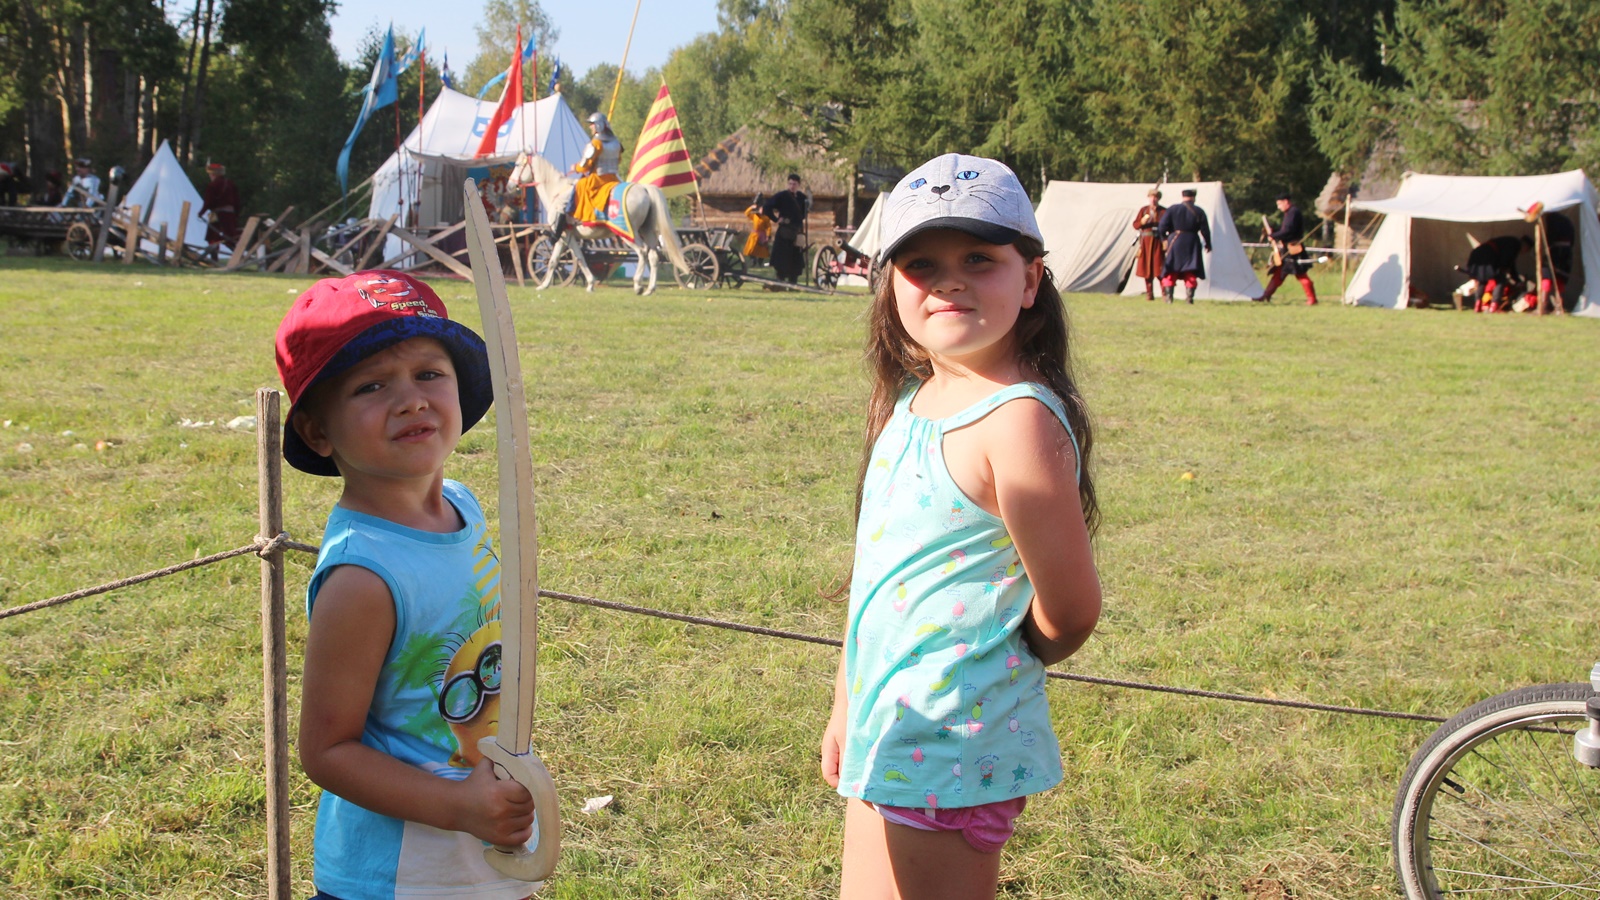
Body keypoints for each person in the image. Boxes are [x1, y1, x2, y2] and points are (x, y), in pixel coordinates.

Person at [822, 153, 1103, 899]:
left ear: (1031, 279)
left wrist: (999, 657)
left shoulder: (1016, 422)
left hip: (951, 743)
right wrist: (848, 705)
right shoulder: (908, 402)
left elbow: (1072, 611)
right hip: (889, 728)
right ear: (891, 284)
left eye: (979, 259)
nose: (949, 281)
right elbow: (878, 581)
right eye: (922, 264)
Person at [274, 270, 547, 900]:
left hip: (482, 840)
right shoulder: (363, 577)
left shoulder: (464, 507)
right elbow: (328, 750)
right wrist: (460, 808)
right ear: (317, 431)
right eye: (372, 386)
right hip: (398, 874)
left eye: (429, 374)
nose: (412, 401)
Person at [1253, 193, 1318, 305]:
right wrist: (1274, 232)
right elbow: (1284, 229)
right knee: (1279, 273)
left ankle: (1312, 299)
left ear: (1286, 202)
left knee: (1301, 274)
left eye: (1279, 204)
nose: (1278, 207)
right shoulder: (1289, 213)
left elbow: (1288, 231)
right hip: (1287, 249)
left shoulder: (1293, 212)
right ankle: (1266, 295)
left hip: (1293, 249)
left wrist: (1273, 236)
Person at [1157, 188, 1211, 303]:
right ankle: (1189, 298)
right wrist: (1208, 244)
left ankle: (1169, 298)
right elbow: (1205, 230)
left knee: (1171, 270)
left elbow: (1161, 227)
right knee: (1190, 270)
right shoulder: (1199, 211)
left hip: (1175, 241)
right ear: (1194, 198)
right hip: (1192, 242)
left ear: (1183, 197)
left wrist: (1164, 239)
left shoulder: (1172, 209)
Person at [570, 111, 622, 223]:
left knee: (580, 185)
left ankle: (584, 217)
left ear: (599, 126)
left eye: (592, 124)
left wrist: (575, 168)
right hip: (614, 178)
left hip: (598, 180)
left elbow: (584, 167)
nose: (590, 127)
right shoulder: (616, 143)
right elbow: (619, 160)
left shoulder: (596, 143)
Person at [1464, 235, 1531, 313]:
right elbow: (1509, 264)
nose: (1525, 252)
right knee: (1501, 280)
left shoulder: (1510, 241)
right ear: (1525, 246)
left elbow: (1509, 265)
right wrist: (1516, 280)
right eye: (1527, 250)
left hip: (1478, 254)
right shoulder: (1515, 245)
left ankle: (1478, 306)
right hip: (1488, 256)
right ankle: (1494, 306)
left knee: (1482, 281)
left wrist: (1516, 280)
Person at [762, 173, 809, 284]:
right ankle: (780, 279)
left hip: (797, 231)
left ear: (798, 185)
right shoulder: (782, 196)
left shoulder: (802, 198)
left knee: (796, 257)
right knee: (782, 256)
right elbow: (767, 207)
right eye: (790, 184)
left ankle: (793, 281)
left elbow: (804, 213)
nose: (792, 186)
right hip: (784, 231)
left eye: (794, 184)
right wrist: (775, 219)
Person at [199, 162, 241, 260]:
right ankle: (239, 257)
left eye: (210, 174)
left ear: (213, 174)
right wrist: (236, 215)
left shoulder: (212, 185)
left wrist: (201, 212)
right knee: (231, 238)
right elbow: (237, 201)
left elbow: (208, 202)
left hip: (217, 215)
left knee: (213, 238)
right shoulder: (230, 184)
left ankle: (214, 259)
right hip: (230, 215)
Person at [1129, 188, 1165, 300]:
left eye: (1155, 197)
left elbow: (1169, 226)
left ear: (1158, 198)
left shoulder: (1164, 211)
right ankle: (1149, 294)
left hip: (1158, 242)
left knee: (1160, 269)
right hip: (1146, 242)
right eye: (1151, 197)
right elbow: (1135, 225)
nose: (1153, 199)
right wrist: (1142, 222)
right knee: (1147, 269)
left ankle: (1165, 294)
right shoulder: (1144, 210)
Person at [743, 193, 774, 261]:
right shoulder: (755, 216)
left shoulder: (766, 218)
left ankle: (760, 260)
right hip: (754, 234)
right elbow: (746, 213)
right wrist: (751, 207)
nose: (761, 210)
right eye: (760, 209)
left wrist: (768, 235)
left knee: (761, 249)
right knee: (751, 247)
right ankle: (753, 258)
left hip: (762, 235)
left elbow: (768, 227)